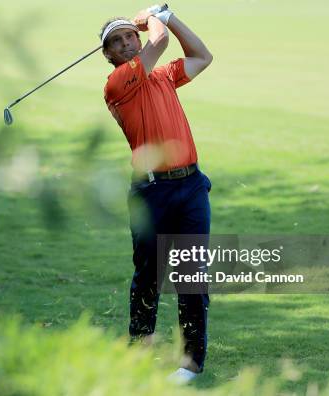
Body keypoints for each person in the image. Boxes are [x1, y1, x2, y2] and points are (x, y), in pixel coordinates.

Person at [100, 5, 214, 384]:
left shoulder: (164, 77)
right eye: (117, 42)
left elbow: (202, 56)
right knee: (148, 274)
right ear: (110, 56)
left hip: (191, 186)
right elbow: (160, 41)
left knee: (191, 274)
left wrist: (172, 17)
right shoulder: (117, 84)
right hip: (151, 191)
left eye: (129, 36)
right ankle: (139, 354)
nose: (126, 44)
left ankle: (191, 363)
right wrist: (154, 19)